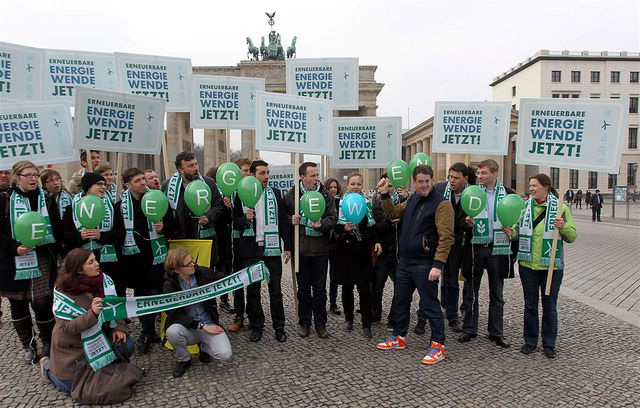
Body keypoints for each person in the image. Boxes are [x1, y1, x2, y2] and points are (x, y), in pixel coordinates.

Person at [375, 165, 454, 365]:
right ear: (414, 182)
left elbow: (446, 238)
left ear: (432, 180)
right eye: (420, 181)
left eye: (427, 181)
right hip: (405, 262)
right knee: (401, 301)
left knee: (430, 305)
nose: (424, 185)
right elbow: (393, 213)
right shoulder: (412, 199)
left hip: (425, 264)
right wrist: (385, 195)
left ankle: (438, 345)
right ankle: (399, 337)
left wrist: (438, 264)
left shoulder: (441, 204)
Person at [43, 248, 138, 399]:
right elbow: (67, 328)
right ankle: (47, 369)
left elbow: (115, 308)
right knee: (72, 387)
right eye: (91, 262)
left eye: (95, 260)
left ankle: (106, 367)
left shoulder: (104, 281)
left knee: (127, 345)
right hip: (73, 349)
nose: (97, 264)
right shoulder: (64, 291)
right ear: (79, 270)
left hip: (100, 337)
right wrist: (92, 314)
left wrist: (119, 327)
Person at [0, 161, 59, 363]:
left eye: (35, 174)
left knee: (43, 303)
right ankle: (28, 344)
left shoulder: (48, 199)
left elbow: (56, 229)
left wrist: (44, 242)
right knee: (18, 305)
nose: (33, 178)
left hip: (41, 257)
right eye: (28, 175)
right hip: (13, 260)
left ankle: (48, 343)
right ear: (17, 177)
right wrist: (15, 247)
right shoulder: (5, 199)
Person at [114, 168, 176, 353]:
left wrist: (164, 227)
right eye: (138, 180)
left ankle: (152, 330)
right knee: (141, 296)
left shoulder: (158, 200)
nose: (143, 183)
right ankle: (147, 330)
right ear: (128, 185)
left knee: (156, 292)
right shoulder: (120, 206)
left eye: (143, 179)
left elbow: (173, 225)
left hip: (156, 256)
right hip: (133, 259)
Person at [515, 174, 577, 358]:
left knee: (549, 306)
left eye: (534, 185)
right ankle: (530, 341)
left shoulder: (560, 208)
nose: (531, 189)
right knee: (530, 305)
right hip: (527, 265)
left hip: (551, 267)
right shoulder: (524, 208)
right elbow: (517, 233)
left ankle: (549, 343)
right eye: (530, 185)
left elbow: (572, 236)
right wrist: (510, 233)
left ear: (546, 187)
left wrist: (563, 226)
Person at [233, 160, 292, 342]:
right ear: (252, 175)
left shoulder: (275, 193)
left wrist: (288, 246)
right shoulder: (240, 194)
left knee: (275, 290)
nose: (266, 176)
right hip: (250, 250)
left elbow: (282, 221)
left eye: (267, 173)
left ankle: (279, 326)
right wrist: (245, 219)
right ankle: (257, 325)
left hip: (272, 250)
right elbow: (235, 222)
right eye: (262, 173)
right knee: (253, 291)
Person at [460, 159, 516, 348]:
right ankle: (469, 328)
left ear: (494, 174)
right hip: (476, 249)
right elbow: (460, 221)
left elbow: (517, 222)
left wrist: (512, 233)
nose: (480, 176)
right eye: (478, 173)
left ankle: (496, 331)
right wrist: (467, 224)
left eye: (483, 173)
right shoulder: (472, 193)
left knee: (497, 294)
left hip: (497, 249)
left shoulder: (508, 194)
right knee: (470, 292)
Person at [284, 162, 337, 339]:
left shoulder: (325, 194)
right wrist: (291, 219)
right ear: (302, 177)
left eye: (317, 175)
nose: (316, 179)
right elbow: (283, 220)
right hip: (301, 249)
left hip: (320, 249)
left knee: (320, 289)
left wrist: (322, 224)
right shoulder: (292, 196)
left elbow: (333, 218)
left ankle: (321, 324)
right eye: (312, 175)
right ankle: (304, 323)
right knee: (303, 290)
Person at [163, 248, 232, 378]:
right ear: (177, 270)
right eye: (188, 264)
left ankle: (203, 346)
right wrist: (201, 326)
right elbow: (174, 314)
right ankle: (184, 359)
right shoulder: (170, 285)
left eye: (192, 261)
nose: (192, 265)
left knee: (225, 354)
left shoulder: (202, 273)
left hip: (208, 323)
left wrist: (247, 275)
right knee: (172, 332)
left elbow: (225, 280)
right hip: (189, 327)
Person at [334, 173, 383, 338]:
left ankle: (366, 323)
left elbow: (372, 225)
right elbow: (335, 226)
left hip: (362, 251)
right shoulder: (340, 203)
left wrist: (377, 241)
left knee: (365, 288)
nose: (355, 187)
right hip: (346, 251)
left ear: (362, 186)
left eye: (358, 184)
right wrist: (343, 229)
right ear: (347, 185)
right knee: (347, 287)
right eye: (352, 184)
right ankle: (349, 318)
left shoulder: (366, 203)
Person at [61, 173, 126, 296]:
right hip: (83, 263)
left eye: (104, 184)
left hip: (109, 262)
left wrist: (102, 236)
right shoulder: (73, 208)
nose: (103, 187)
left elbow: (121, 231)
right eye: (99, 184)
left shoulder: (110, 207)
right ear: (88, 187)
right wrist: (80, 236)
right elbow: (64, 234)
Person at [161, 151, 224, 267]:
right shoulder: (168, 186)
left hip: (204, 238)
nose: (195, 168)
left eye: (196, 164)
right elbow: (164, 212)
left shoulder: (208, 183)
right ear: (181, 169)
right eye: (190, 166)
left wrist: (209, 217)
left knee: (204, 275)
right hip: (180, 239)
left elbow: (219, 206)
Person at [433, 162, 472, 333]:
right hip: (442, 241)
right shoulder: (440, 188)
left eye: (456, 178)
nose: (452, 180)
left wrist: (467, 224)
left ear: (465, 179)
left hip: (460, 242)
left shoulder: (472, 193)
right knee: (442, 278)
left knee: (453, 279)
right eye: (450, 176)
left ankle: (453, 315)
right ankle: (443, 306)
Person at [370, 173, 409, 331]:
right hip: (383, 250)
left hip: (399, 250)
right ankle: (375, 312)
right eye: (388, 186)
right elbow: (376, 226)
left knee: (400, 286)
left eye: (393, 186)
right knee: (377, 285)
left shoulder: (404, 201)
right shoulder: (376, 201)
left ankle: (393, 317)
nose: (391, 189)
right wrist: (388, 220)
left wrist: (406, 200)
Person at [205, 166, 234, 315]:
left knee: (224, 269)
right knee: (211, 270)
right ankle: (212, 301)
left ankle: (223, 299)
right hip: (210, 235)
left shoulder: (227, 195)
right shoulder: (207, 191)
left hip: (223, 237)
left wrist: (228, 208)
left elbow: (228, 218)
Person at [228, 157, 252, 332]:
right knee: (237, 282)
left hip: (251, 242)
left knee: (252, 282)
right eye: (244, 170)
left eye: (250, 170)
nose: (248, 173)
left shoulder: (254, 190)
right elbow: (232, 220)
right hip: (236, 243)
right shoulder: (231, 193)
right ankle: (238, 316)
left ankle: (253, 315)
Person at [324, 177, 342, 316]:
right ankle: (322, 301)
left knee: (334, 275)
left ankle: (333, 302)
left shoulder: (341, 202)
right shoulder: (323, 202)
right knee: (322, 276)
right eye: (330, 187)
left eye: (335, 187)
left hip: (337, 244)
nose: (333, 190)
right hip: (325, 243)